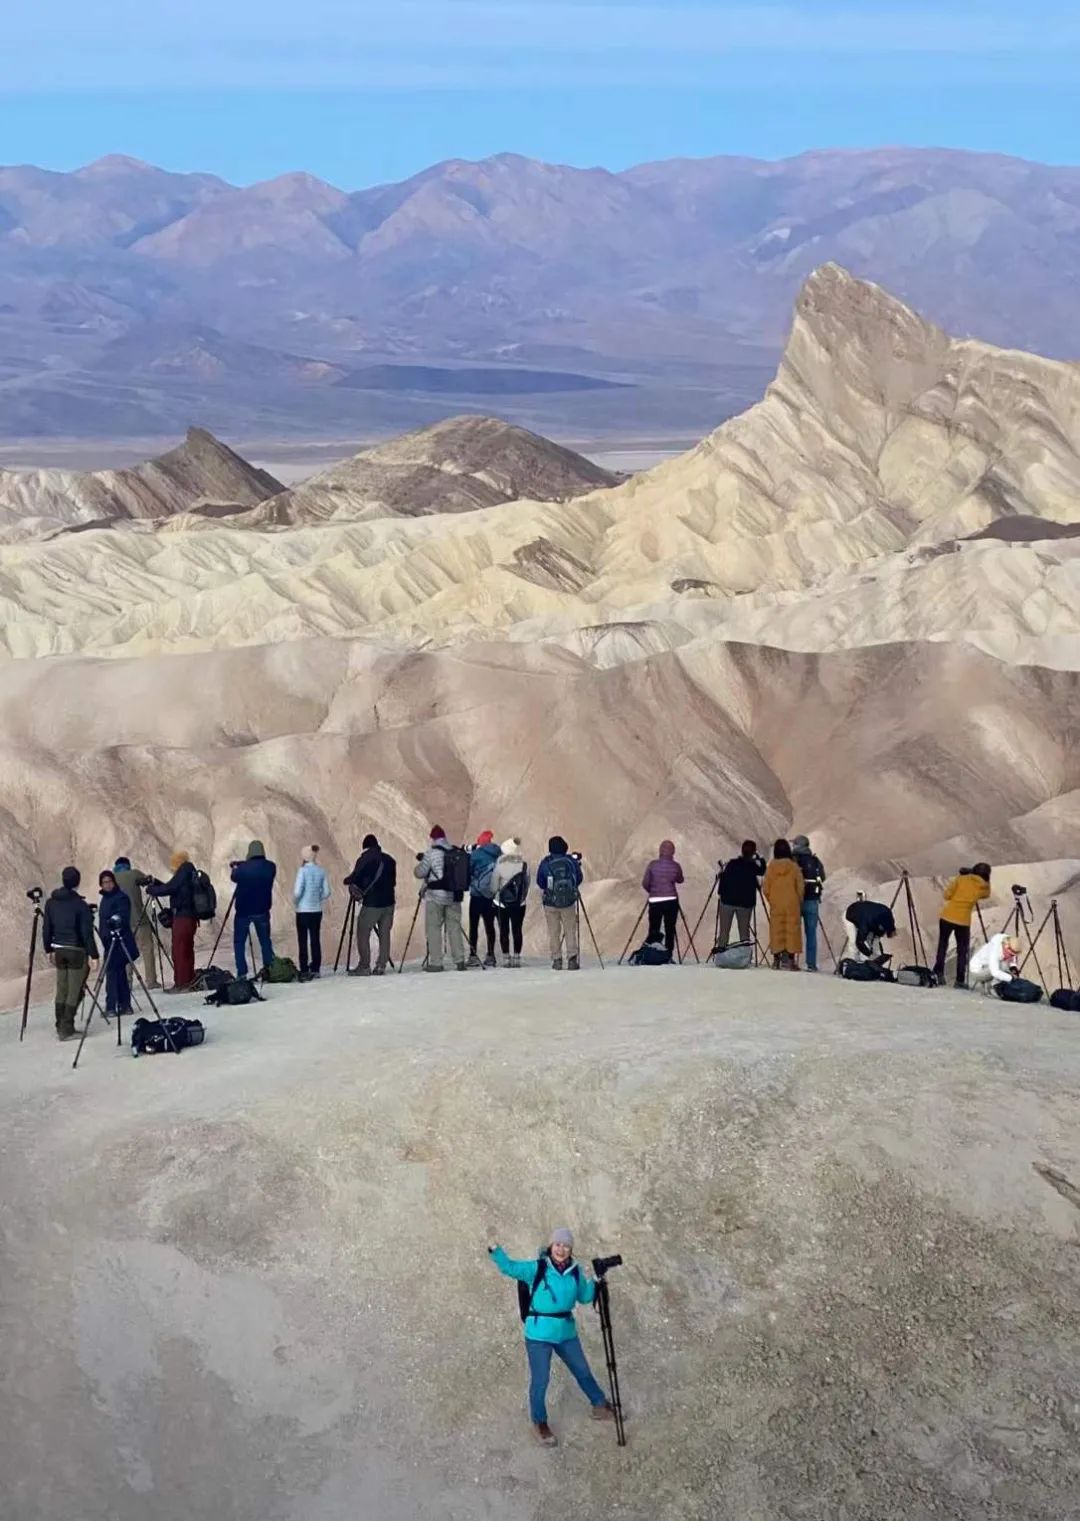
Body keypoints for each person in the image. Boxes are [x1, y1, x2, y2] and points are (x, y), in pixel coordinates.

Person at [488, 1228, 615, 1447]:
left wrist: (597, 1279)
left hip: (566, 1332)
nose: (561, 1249)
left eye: (566, 1246)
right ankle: (539, 1422)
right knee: (541, 1380)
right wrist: (494, 1249)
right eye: (558, 1244)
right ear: (551, 1246)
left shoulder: (575, 1272)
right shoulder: (537, 1268)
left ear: (571, 1249)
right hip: (538, 1334)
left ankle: (599, 1405)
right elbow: (510, 1267)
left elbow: (585, 1296)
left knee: (583, 1371)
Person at [42, 866, 98, 1041]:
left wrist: (48, 949)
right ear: (77, 882)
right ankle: (67, 1028)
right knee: (74, 990)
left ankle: (59, 1024)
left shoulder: (51, 903)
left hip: (58, 949)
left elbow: (46, 928)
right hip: (76, 951)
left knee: (62, 988)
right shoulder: (80, 905)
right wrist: (94, 955)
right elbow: (86, 933)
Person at [344, 834, 398, 976]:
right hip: (389, 902)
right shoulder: (390, 860)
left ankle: (364, 966)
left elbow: (356, 877)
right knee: (385, 934)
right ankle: (381, 966)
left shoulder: (365, 859)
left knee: (363, 931)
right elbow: (393, 882)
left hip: (373, 903)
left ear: (365, 846)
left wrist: (348, 881)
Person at [414, 826, 466, 972]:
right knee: (454, 928)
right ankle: (460, 960)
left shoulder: (431, 853)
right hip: (454, 896)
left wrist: (421, 863)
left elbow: (420, 873)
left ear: (433, 838)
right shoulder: (455, 852)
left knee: (434, 929)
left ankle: (436, 962)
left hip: (435, 896)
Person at [932, 863, 992, 989]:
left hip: (947, 916)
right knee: (962, 951)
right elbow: (987, 894)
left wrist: (963, 877)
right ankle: (959, 980)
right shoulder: (983, 886)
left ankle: (938, 973)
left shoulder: (961, 879)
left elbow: (947, 895)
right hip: (963, 921)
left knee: (943, 945)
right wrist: (986, 881)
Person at [146, 850, 198, 992]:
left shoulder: (184, 870)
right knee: (186, 950)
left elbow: (171, 887)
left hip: (182, 918)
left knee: (179, 951)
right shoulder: (188, 872)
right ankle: (189, 980)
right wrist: (156, 883)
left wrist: (153, 890)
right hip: (189, 917)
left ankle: (181, 984)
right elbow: (173, 887)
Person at [96, 869, 140, 1017]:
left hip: (120, 941)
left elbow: (123, 917)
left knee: (112, 974)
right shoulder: (105, 899)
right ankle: (125, 1005)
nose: (107, 885)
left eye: (110, 881)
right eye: (104, 882)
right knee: (119, 974)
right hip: (109, 942)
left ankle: (111, 1007)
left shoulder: (121, 897)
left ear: (114, 882)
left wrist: (113, 923)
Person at [230, 840, 277, 979]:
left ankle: (242, 972)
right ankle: (269, 969)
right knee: (265, 941)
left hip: (243, 911)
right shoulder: (270, 867)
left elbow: (234, 877)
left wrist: (236, 866)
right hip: (262, 910)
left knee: (239, 942)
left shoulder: (242, 869)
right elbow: (258, 869)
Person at [537, 836, 583, 970]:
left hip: (550, 902)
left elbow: (540, 882)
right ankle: (572, 959)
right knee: (570, 930)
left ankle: (557, 960)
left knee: (553, 932)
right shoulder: (570, 861)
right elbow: (579, 878)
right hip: (568, 902)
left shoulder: (545, 863)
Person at [112, 856, 159, 989]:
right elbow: (149, 882)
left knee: (126, 952)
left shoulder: (112, 879)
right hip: (140, 919)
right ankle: (151, 981)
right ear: (128, 865)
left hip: (122, 923)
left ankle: (127, 982)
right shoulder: (135, 874)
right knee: (147, 949)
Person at [716, 841, 766, 951]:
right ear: (753, 852)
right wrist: (760, 858)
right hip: (745, 904)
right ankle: (744, 954)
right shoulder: (752, 866)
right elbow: (762, 871)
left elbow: (722, 882)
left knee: (724, 930)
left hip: (727, 901)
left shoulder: (731, 864)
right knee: (744, 931)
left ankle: (721, 951)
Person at [763, 839, 804, 970]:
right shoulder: (794, 867)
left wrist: (772, 900)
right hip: (792, 902)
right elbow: (800, 886)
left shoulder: (771, 867)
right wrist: (798, 899)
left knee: (777, 929)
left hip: (776, 903)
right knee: (792, 930)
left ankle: (776, 960)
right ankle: (790, 961)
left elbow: (766, 888)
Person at [293, 844, 330, 982]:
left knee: (302, 941)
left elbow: (297, 892)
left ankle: (304, 969)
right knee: (315, 939)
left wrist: (296, 902)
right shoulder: (321, 871)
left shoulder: (302, 871)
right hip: (316, 910)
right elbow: (327, 892)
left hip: (303, 911)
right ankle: (315, 968)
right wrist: (317, 898)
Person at [641, 840, 684, 955]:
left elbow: (645, 883)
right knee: (670, 927)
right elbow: (680, 879)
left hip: (655, 900)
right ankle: (668, 953)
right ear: (673, 852)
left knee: (654, 927)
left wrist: (653, 891)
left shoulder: (652, 865)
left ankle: (652, 952)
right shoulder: (676, 866)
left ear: (660, 850)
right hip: (671, 900)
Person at [492, 837, 530, 967]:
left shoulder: (499, 865)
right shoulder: (524, 865)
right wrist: (521, 898)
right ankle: (517, 957)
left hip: (501, 903)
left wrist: (496, 895)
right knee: (517, 929)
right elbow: (526, 884)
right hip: (519, 904)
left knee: (504, 930)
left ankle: (506, 958)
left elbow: (493, 886)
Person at [792, 834, 827, 973]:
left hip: (795, 900)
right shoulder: (815, 861)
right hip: (812, 900)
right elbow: (822, 877)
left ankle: (791, 961)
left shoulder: (792, 860)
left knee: (793, 931)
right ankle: (811, 964)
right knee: (811, 933)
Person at [468, 830, 502, 968]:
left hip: (476, 895)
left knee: (474, 926)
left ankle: (473, 955)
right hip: (492, 895)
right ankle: (491, 955)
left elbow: (469, 871)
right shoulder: (498, 854)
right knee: (490, 926)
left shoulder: (475, 854)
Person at [843, 899, 897, 964]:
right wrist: (869, 954)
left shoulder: (887, 913)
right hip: (850, 914)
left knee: (873, 939)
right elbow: (859, 942)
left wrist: (890, 931)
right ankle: (854, 962)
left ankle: (876, 958)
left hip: (865, 911)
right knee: (853, 941)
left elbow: (886, 929)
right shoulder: (866, 924)